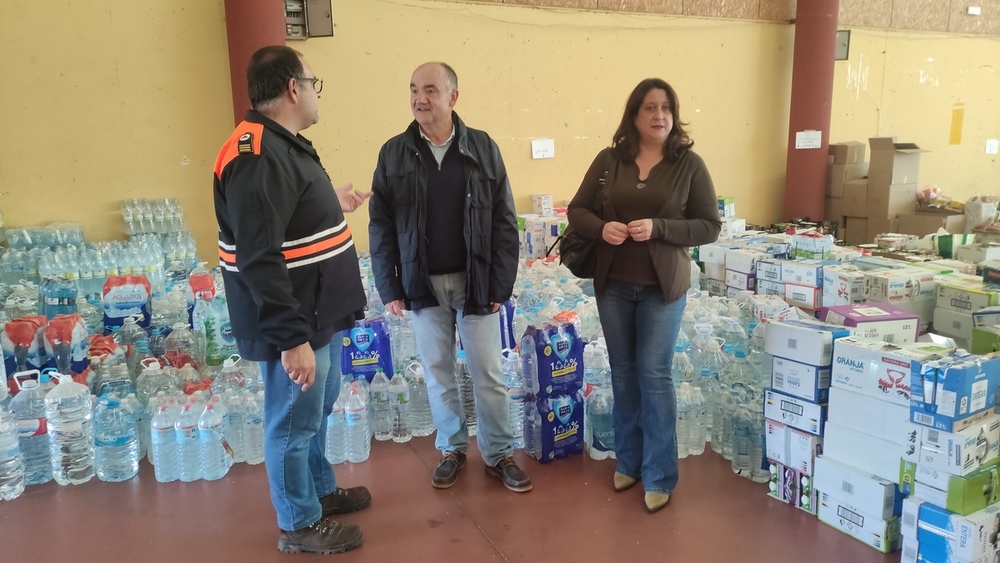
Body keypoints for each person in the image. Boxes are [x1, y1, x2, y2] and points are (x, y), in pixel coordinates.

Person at [213, 45, 372, 554]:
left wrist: (332, 204)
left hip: (316, 309)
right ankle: (299, 523)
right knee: (292, 421)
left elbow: (286, 218)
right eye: (314, 81)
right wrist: (290, 339)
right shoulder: (255, 154)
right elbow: (258, 257)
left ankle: (319, 490)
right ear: (292, 88)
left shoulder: (283, 143)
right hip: (296, 320)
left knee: (317, 410)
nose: (316, 91)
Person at [368, 62, 530, 492]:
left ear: (453, 97)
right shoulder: (394, 153)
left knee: (488, 373)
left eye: (431, 90)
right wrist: (389, 286)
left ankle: (498, 454)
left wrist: (501, 284)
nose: (420, 98)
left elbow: (504, 220)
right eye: (414, 90)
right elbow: (380, 225)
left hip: (475, 280)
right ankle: (452, 448)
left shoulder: (482, 147)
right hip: (422, 284)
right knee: (437, 372)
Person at [567, 78, 722, 513]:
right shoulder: (608, 160)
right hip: (613, 284)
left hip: (663, 287)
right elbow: (576, 210)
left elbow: (709, 225)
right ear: (634, 115)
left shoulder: (689, 164)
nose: (659, 116)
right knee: (623, 372)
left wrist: (661, 228)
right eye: (650, 108)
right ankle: (628, 461)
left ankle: (659, 473)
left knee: (654, 376)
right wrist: (601, 228)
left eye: (666, 108)